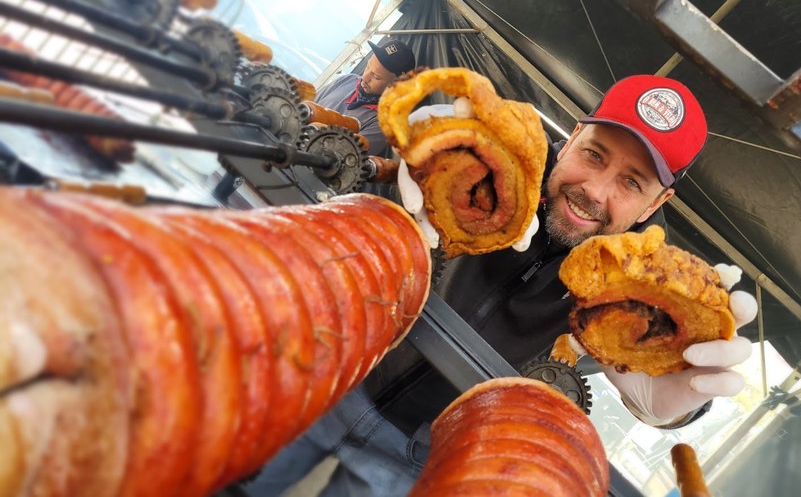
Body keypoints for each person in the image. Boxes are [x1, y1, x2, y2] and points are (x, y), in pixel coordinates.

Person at [245, 74, 757, 496]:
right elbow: (348, 201)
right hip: (328, 377)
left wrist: (677, 405)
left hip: (424, 455)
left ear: (655, 205)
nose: (594, 191)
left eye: (632, 182)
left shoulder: (643, 293)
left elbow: (682, 371)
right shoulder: (487, 161)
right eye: (596, 155)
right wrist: (398, 169)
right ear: (575, 134)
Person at [313, 39, 416, 158]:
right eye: (368, 66)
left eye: (376, 77)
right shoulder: (346, 80)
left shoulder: (383, 123)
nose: (365, 77)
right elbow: (306, 107)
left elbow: (344, 155)